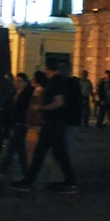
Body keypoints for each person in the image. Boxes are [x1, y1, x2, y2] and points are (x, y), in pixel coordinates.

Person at [13, 60, 79, 194]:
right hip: (55, 122)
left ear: (48, 68)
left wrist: (41, 107)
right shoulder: (58, 81)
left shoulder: (56, 82)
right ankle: (69, 182)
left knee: (41, 153)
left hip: (53, 123)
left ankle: (28, 181)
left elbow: (59, 102)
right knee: (58, 154)